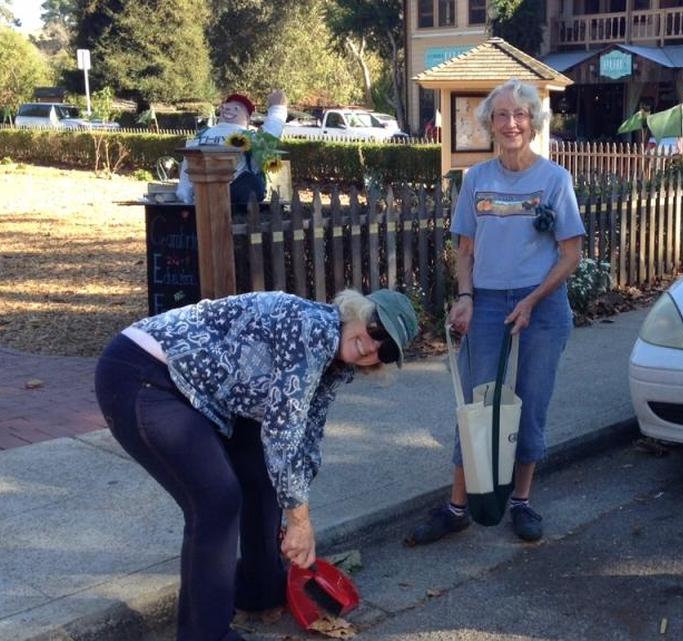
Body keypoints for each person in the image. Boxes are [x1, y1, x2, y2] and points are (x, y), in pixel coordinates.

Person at [93, 288, 418, 641]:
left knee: (263, 474)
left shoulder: (335, 365)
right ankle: (206, 635)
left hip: (201, 392)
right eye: (376, 329)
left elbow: (306, 438)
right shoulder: (314, 328)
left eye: (386, 349)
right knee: (216, 500)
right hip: (143, 375)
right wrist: (299, 520)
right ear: (356, 311)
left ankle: (260, 588)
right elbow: (283, 431)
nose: (373, 346)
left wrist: (299, 520)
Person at [405, 78, 585, 546]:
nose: (511, 123)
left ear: (534, 122)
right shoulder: (477, 180)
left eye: (520, 115)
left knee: (529, 403)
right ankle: (458, 507)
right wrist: (465, 297)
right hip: (485, 305)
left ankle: (521, 503)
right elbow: (465, 250)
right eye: (502, 115)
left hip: (541, 307)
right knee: (476, 407)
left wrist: (531, 300)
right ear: (488, 124)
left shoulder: (554, 180)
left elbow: (570, 253)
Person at [175, 90, 287, 206]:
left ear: (248, 118)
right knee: (252, 183)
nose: (228, 109)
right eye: (225, 107)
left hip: (214, 197)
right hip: (218, 197)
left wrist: (184, 197)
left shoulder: (202, 136)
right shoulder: (203, 135)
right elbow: (269, 135)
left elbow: (269, 136)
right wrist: (278, 108)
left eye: (236, 109)